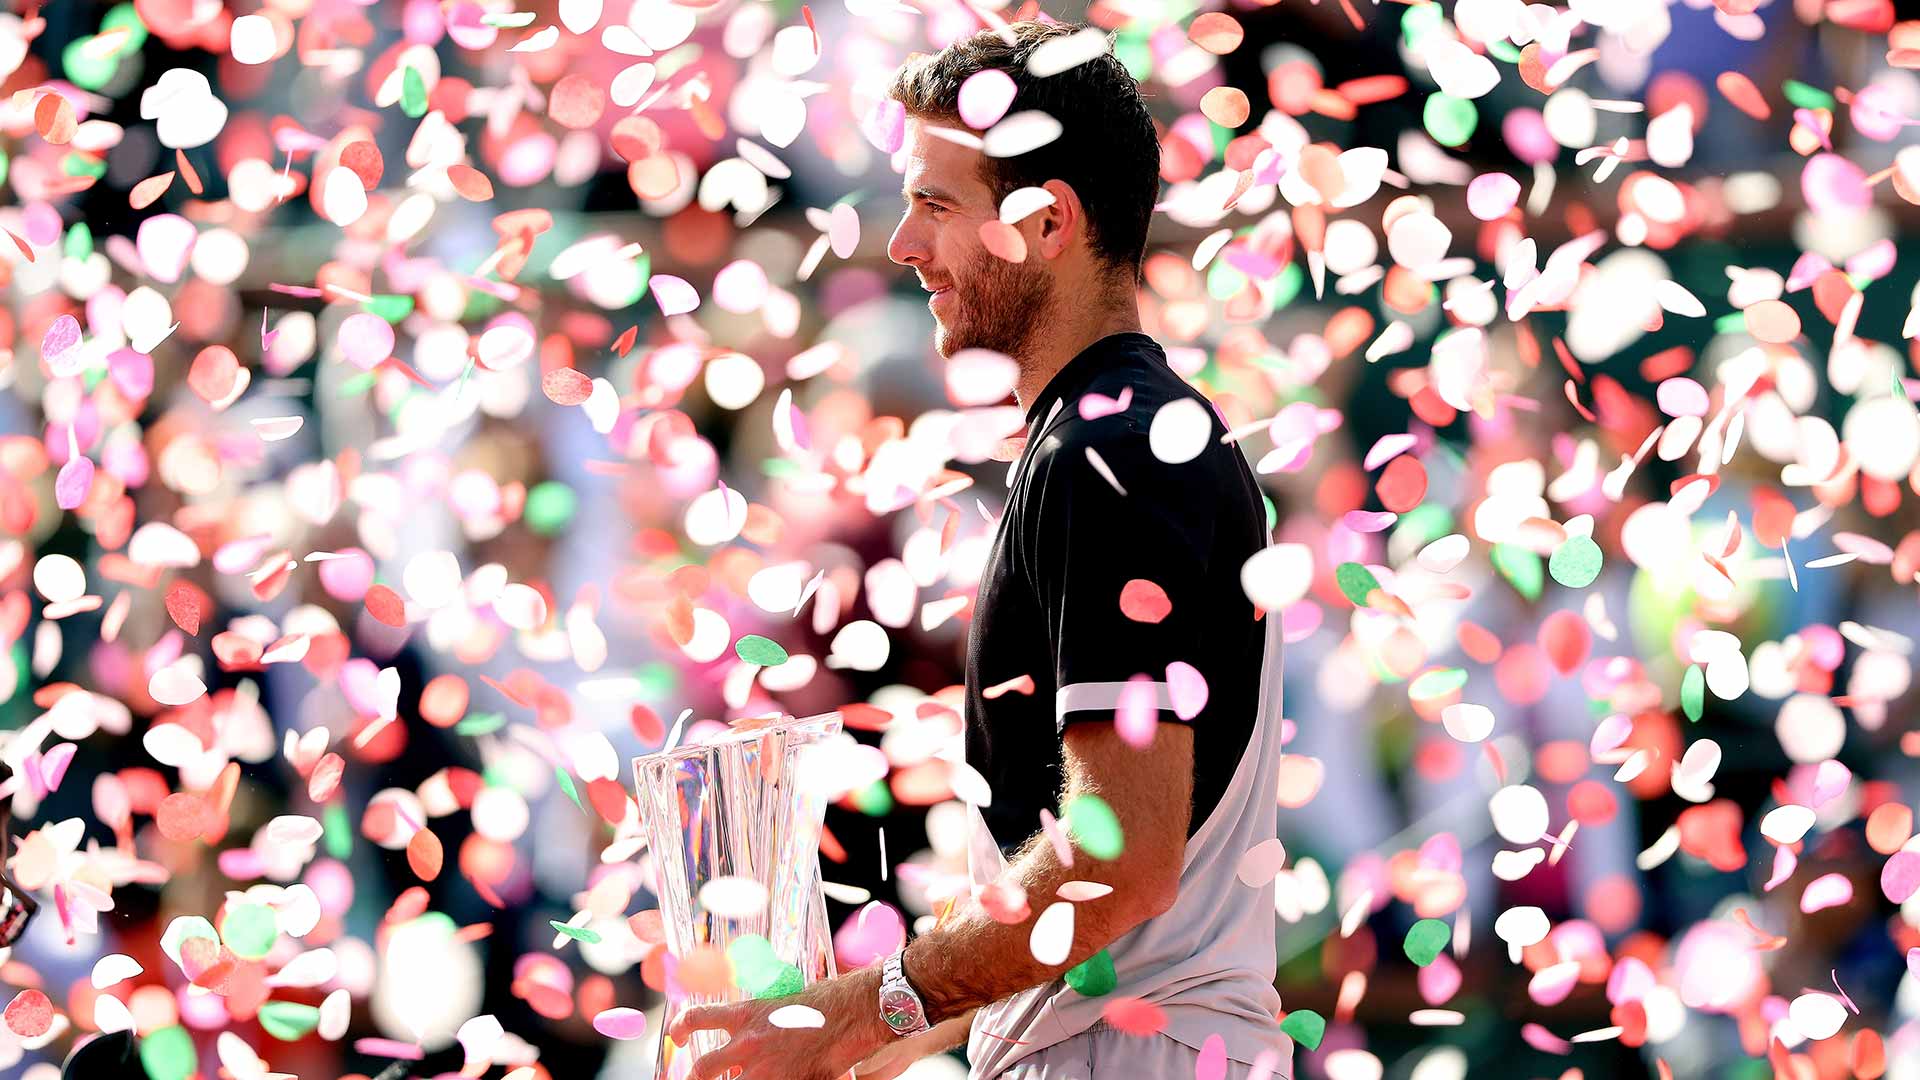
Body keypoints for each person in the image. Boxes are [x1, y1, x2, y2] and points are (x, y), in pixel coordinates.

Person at [670, 20, 1292, 1080]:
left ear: (1047, 224)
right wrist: (839, 1026)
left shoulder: (1112, 450)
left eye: (936, 204)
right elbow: (1095, 906)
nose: (905, 245)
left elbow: (1118, 863)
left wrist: (867, 1013)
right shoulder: (1112, 437)